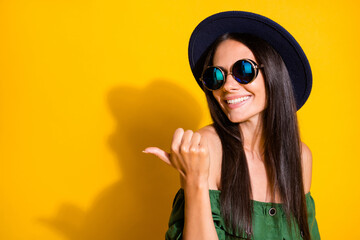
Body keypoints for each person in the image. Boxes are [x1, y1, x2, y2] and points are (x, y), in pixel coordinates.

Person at [143, 11, 320, 240]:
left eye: (243, 71)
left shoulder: (299, 156)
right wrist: (194, 180)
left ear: (274, 74)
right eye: (216, 76)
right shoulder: (207, 146)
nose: (227, 86)